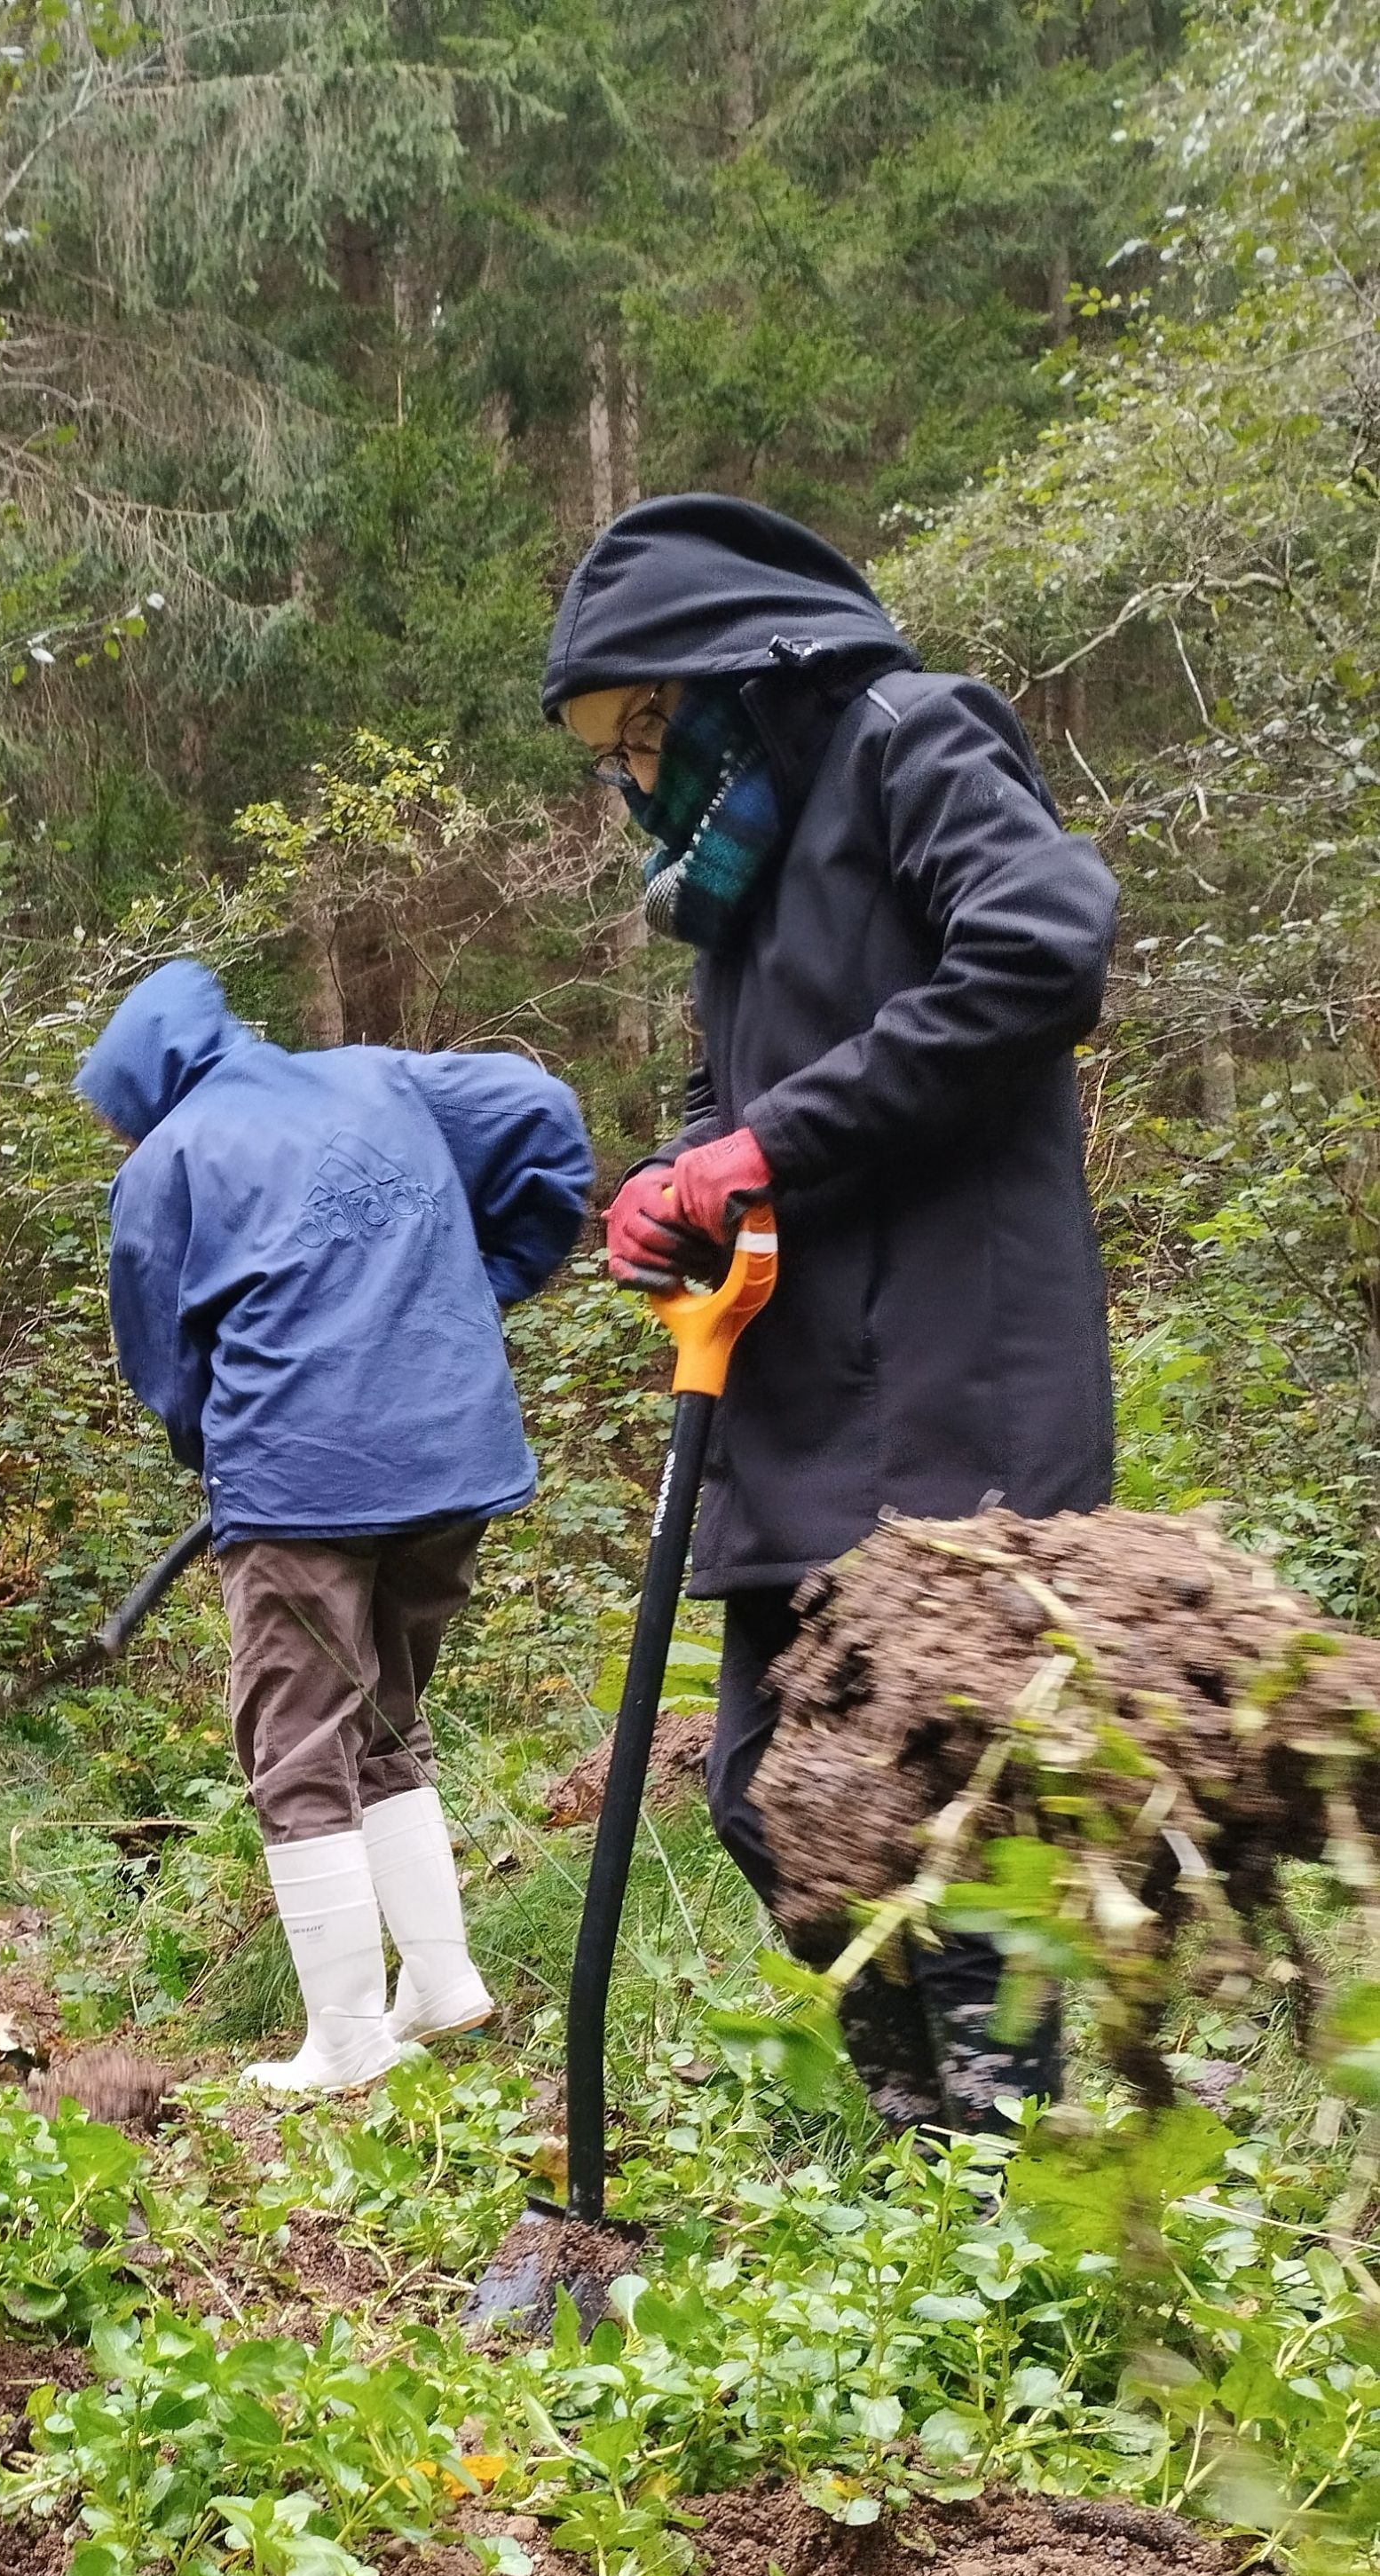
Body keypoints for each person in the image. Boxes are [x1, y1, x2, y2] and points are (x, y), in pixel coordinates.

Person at [540, 492, 1120, 2130]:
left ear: (726, 677)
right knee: (761, 1791)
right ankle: (938, 2119)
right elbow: (749, 1100)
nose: (633, 776)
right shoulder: (736, 885)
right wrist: (676, 1181)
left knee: (940, 1799)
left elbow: (1038, 949)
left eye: (641, 728)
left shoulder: (905, 740)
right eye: (611, 752)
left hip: (952, 1383)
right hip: (800, 1394)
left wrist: (760, 1147)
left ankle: (1004, 2157)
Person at [83, 959, 594, 2092]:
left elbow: (162, 1361)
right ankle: (441, 1981)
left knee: (299, 1741)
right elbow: (544, 1117)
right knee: (383, 1717)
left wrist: (214, 1456)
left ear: (138, 1085)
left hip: (302, 1478)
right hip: (451, 1454)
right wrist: (474, 1290)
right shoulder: (379, 1079)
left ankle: (348, 2038)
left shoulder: (167, 1160)